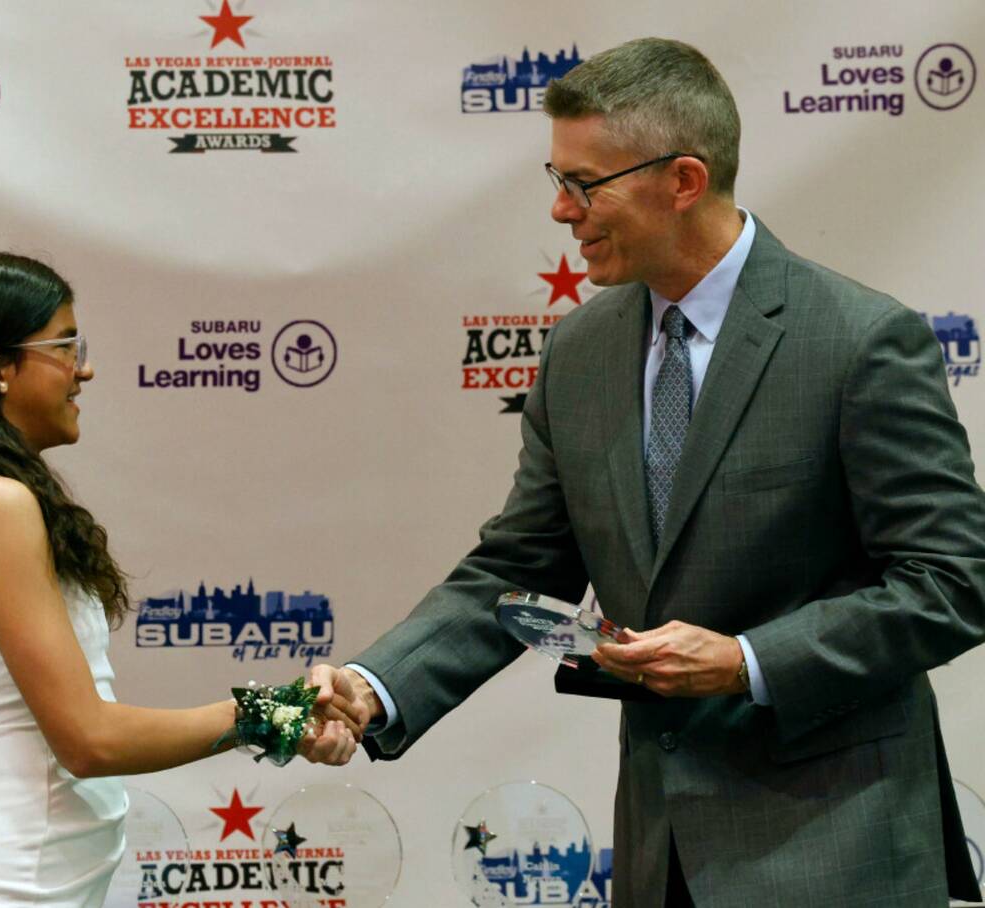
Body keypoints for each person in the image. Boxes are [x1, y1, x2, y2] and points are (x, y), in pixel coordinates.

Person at [309, 38, 985, 907]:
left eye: (584, 184)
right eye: (555, 181)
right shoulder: (580, 350)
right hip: (659, 856)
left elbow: (953, 581)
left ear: (684, 180)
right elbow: (517, 569)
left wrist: (746, 660)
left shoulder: (857, 340)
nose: (561, 211)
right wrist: (371, 687)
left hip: (839, 849)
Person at [0, 250, 358, 907]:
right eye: (64, 345)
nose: (85, 368)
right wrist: (271, 714)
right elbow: (88, 740)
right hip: (6, 883)